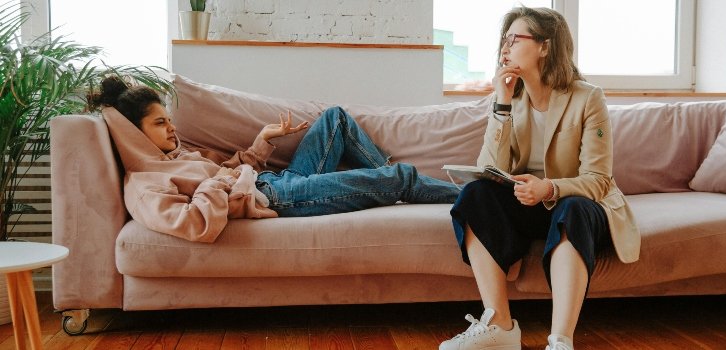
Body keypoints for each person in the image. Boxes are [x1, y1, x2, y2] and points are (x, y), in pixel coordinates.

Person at [439, 6, 640, 350]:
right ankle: (499, 326)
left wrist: (549, 187)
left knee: (572, 208)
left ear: (545, 46)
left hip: (579, 206)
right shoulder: (510, 97)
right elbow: (490, 167)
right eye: (504, 39)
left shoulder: (588, 97)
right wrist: (501, 103)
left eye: (515, 38)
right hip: (526, 204)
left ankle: (560, 340)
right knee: (475, 194)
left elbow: (598, 179)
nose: (506, 47)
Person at [89, 76, 460, 243]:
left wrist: (262, 142)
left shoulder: (180, 153)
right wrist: (216, 183)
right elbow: (193, 223)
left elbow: (230, 170)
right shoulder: (144, 183)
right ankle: (476, 193)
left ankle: (381, 184)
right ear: (136, 133)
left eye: (169, 120)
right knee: (399, 178)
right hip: (277, 198)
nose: (172, 129)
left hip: (276, 181)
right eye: (160, 123)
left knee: (336, 119)